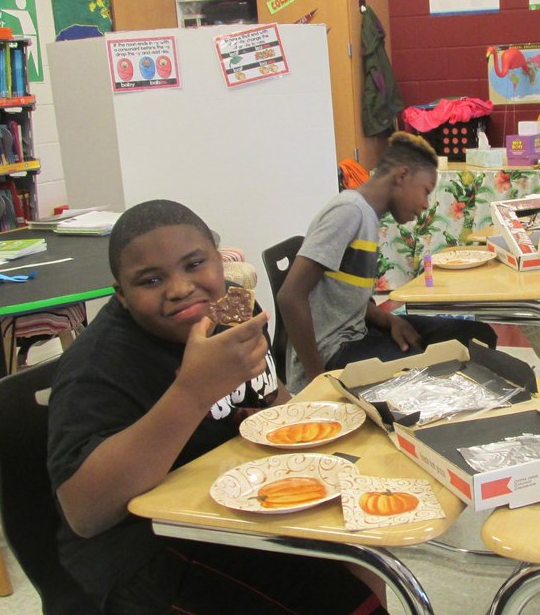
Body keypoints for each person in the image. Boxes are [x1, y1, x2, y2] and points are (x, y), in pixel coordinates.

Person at [47, 200, 385, 614]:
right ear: (121, 296)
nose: (179, 288)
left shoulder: (234, 311)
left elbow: (271, 394)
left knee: (370, 575)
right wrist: (192, 392)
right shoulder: (97, 368)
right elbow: (86, 514)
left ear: (219, 262)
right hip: (145, 551)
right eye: (150, 280)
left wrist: (296, 419)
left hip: (233, 513)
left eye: (194, 265)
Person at [280, 131, 497, 389]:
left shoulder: (369, 217)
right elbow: (290, 296)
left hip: (359, 333)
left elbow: (345, 300)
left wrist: (390, 320)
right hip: (333, 353)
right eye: (425, 191)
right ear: (402, 176)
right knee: (427, 381)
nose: (426, 204)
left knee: (476, 336)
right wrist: (320, 383)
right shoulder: (349, 211)